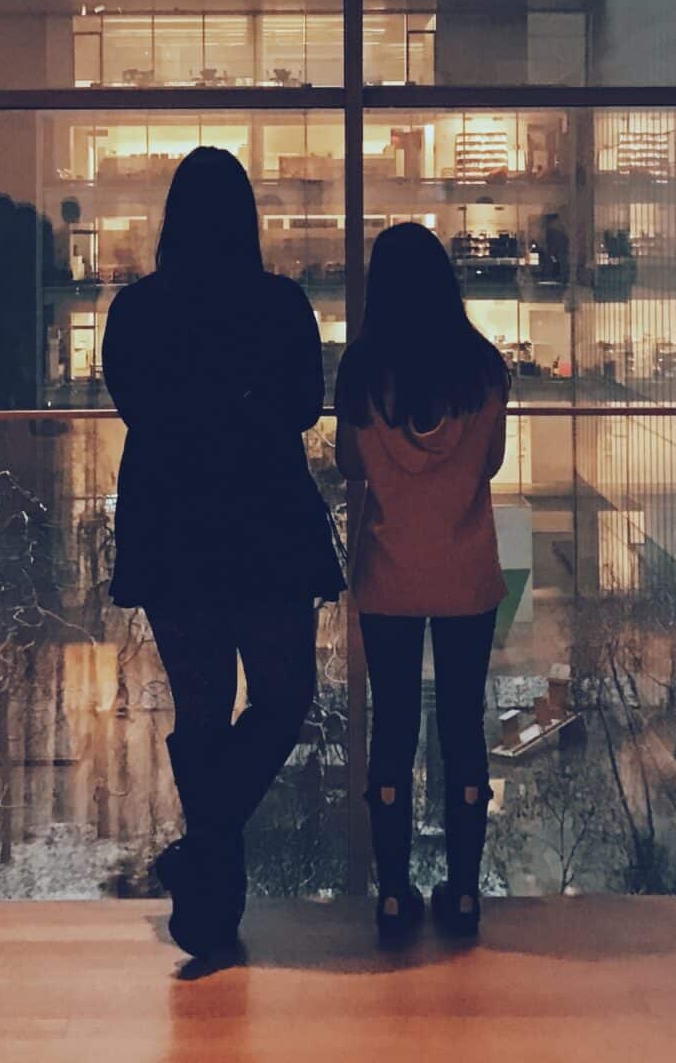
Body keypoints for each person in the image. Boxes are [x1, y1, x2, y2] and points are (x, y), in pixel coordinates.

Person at [101, 147, 343, 959]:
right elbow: (306, 406)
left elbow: (135, 404)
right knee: (283, 694)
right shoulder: (278, 305)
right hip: (263, 525)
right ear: (247, 219)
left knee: (201, 708)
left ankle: (211, 899)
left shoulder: (137, 310)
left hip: (174, 530)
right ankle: (209, 868)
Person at [336, 221, 508, 942]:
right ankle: (464, 892)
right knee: (463, 726)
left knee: (393, 729)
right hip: (467, 573)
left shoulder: (360, 373)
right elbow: (492, 463)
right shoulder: (484, 370)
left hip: (389, 576)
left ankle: (394, 893)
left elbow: (349, 465)